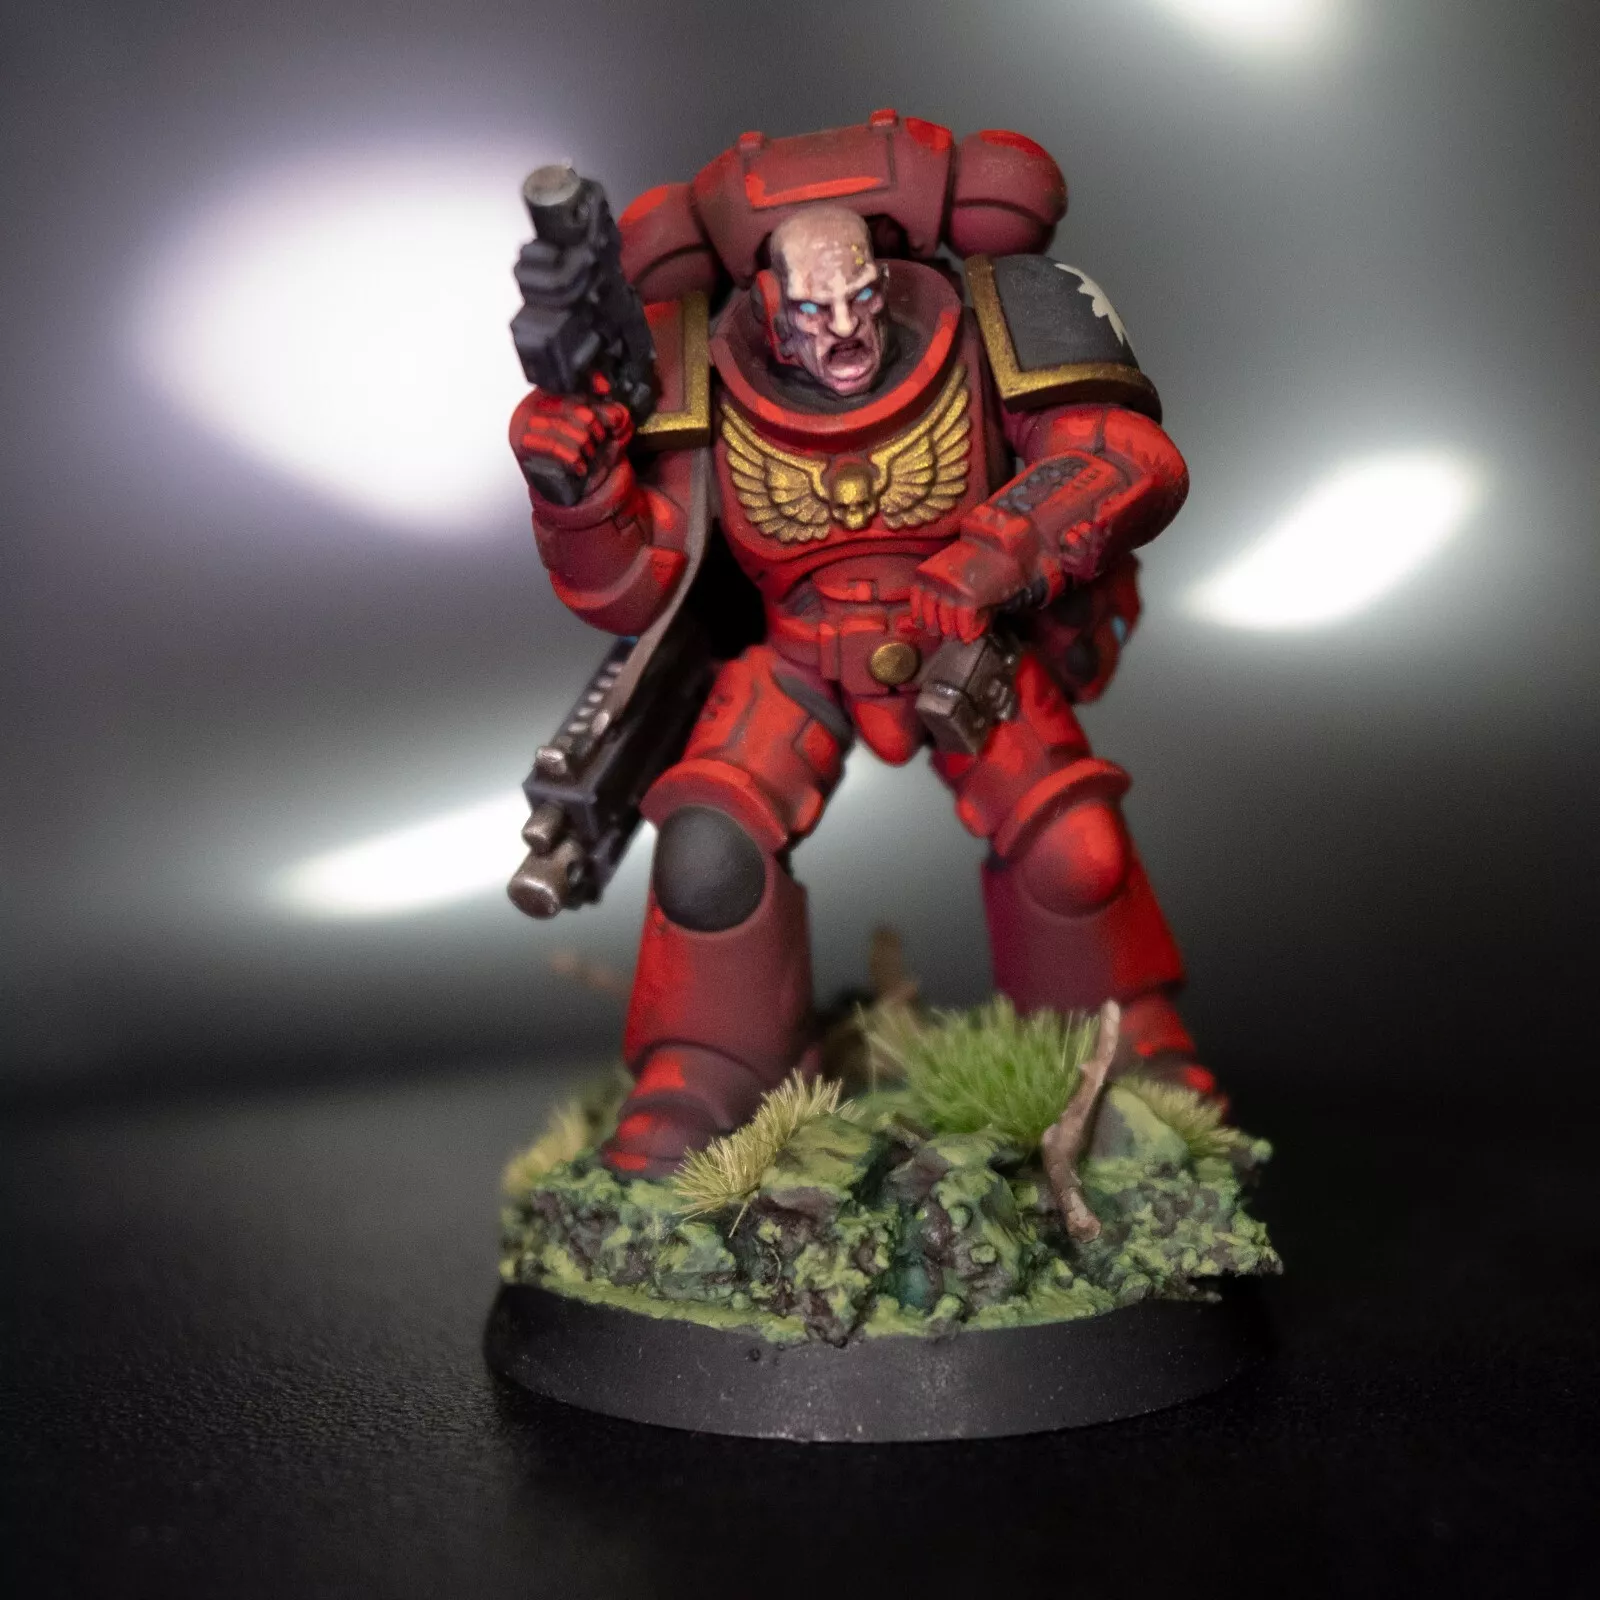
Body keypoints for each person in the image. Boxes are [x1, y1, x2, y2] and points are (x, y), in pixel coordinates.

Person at [511, 112, 1212, 1177]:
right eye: (811, 310)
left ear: (887, 277)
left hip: (966, 638)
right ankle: (704, 1074)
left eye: (861, 298)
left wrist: (999, 550)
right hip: (795, 662)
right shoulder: (694, 368)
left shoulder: (989, 322)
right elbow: (631, 589)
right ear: (765, 304)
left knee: (1076, 852)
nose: (842, 330)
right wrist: (578, 493)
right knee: (707, 855)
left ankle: (1128, 1055)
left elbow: (1127, 458)